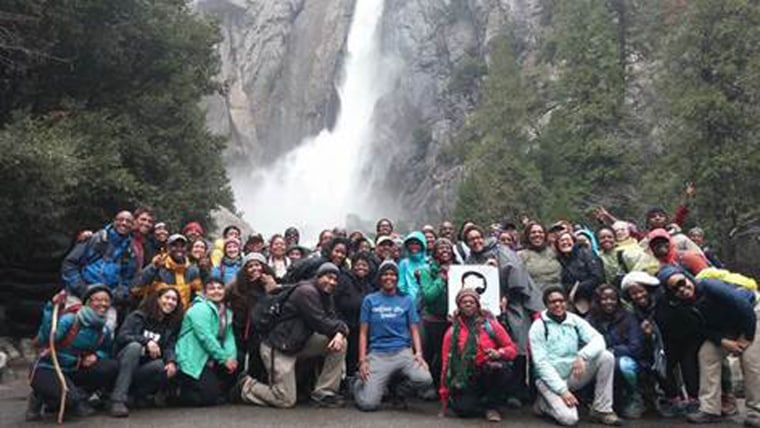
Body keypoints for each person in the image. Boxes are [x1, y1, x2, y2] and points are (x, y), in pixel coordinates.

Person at [235, 263, 349, 408]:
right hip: (278, 347)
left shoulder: (325, 294)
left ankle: (324, 393)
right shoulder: (306, 292)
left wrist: (340, 333)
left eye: (335, 279)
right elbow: (320, 322)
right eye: (329, 277)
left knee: (341, 343)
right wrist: (341, 329)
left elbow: (333, 319)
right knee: (285, 400)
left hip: (298, 342)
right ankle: (247, 386)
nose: (332, 282)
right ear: (318, 276)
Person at [657, 266, 759, 426]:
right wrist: (722, 341)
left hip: (752, 315)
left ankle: (756, 411)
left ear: (687, 278)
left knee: (750, 360)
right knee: (707, 354)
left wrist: (747, 338)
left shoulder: (709, 286)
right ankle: (710, 408)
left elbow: (743, 307)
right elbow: (700, 329)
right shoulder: (682, 306)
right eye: (675, 289)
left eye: (682, 283)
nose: (683, 289)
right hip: (725, 327)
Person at [464, 224, 543, 406]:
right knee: (490, 348)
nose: (475, 241)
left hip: (512, 305)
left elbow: (518, 276)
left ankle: (517, 391)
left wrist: (507, 295)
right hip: (486, 309)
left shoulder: (502, 251)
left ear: (483, 237)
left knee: (517, 345)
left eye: (477, 237)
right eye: (470, 240)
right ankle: (496, 391)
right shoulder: (471, 259)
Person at [529, 286, 622, 426]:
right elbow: (541, 364)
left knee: (606, 356)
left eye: (561, 301)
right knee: (569, 419)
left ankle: (601, 409)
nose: (558, 305)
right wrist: (562, 391)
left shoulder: (574, 320)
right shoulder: (539, 326)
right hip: (548, 380)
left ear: (566, 302)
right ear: (546, 305)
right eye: (553, 302)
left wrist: (582, 356)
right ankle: (543, 405)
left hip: (572, 374)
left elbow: (599, 339)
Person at [27, 285, 118, 421]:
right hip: (50, 367)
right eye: (98, 300)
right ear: (88, 302)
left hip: (75, 368)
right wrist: (51, 309)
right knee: (71, 400)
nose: (103, 304)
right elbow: (49, 337)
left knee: (111, 366)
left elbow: (106, 350)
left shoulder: (103, 330)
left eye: (106, 301)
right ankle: (40, 397)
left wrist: (97, 355)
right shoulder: (71, 319)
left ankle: (74, 397)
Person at [353, 260, 433, 411]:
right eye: (385, 274)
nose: (389, 278)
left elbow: (414, 329)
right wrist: (362, 360)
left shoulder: (407, 300)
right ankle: (357, 384)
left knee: (425, 379)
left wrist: (419, 354)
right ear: (379, 278)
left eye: (393, 274)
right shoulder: (370, 300)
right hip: (378, 353)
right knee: (368, 404)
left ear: (397, 278)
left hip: (402, 351)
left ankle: (399, 391)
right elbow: (363, 333)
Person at [439, 288, 517, 422]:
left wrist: (498, 353)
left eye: (472, 302)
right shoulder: (452, 333)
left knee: (499, 368)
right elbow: (446, 365)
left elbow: (512, 349)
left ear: (477, 305)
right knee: (463, 410)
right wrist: (444, 398)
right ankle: (481, 406)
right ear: (459, 306)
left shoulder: (490, 325)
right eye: (464, 302)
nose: (468, 304)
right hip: (466, 376)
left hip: (488, 371)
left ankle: (492, 406)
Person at [109, 287, 184, 417]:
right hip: (123, 363)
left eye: (174, 300)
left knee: (164, 367)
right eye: (167, 297)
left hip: (144, 368)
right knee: (135, 347)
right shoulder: (138, 315)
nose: (170, 302)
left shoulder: (170, 324)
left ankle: (137, 396)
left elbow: (169, 347)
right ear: (158, 299)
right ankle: (117, 400)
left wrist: (171, 361)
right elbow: (122, 336)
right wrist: (146, 341)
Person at [61, 210, 138, 328]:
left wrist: (116, 295)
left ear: (132, 226)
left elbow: (128, 279)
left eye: (128, 221)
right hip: (80, 291)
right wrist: (81, 288)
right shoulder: (95, 239)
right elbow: (70, 264)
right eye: (120, 219)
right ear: (114, 221)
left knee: (108, 327)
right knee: (69, 324)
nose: (124, 223)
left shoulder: (131, 251)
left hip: (107, 299)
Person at [174, 277, 237, 407]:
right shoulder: (200, 308)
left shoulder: (227, 311)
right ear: (205, 292)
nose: (216, 291)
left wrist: (231, 358)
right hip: (193, 358)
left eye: (220, 288)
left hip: (210, 357)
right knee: (208, 398)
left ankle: (214, 387)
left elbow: (229, 337)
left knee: (237, 360)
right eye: (212, 288)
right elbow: (205, 337)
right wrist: (224, 359)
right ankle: (176, 391)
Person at [587, 285, 645, 419]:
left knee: (623, 365)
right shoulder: (591, 319)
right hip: (599, 362)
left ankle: (634, 396)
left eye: (612, 298)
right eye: (604, 299)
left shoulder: (629, 318)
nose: (609, 302)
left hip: (625, 362)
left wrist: (612, 351)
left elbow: (635, 347)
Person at [227, 253, 279, 381]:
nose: (254, 268)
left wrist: (271, 287)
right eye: (250, 266)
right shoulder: (238, 285)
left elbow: (275, 302)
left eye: (257, 265)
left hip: (262, 329)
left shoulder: (270, 282)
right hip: (242, 328)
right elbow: (224, 296)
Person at [131, 234, 202, 311]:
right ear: (168, 248)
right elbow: (136, 289)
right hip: (158, 316)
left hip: (180, 317)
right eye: (174, 245)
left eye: (182, 246)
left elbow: (198, 293)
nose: (179, 249)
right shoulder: (158, 267)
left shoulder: (192, 270)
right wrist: (154, 267)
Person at [420, 238, 456, 389]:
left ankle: (444, 386)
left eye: (448, 247)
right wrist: (441, 278)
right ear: (434, 253)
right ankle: (427, 385)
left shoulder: (458, 270)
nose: (445, 250)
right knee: (430, 355)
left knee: (447, 356)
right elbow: (428, 296)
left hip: (451, 321)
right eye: (440, 248)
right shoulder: (426, 271)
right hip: (432, 320)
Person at [335, 252, 376, 377]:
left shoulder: (369, 287)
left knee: (356, 356)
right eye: (358, 265)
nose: (361, 267)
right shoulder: (344, 280)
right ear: (352, 266)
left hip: (360, 327)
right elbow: (334, 301)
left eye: (364, 265)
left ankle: (352, 380)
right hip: (343, 325)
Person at [554, 231, 605, 315]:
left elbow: (597, 276)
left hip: (594, 298)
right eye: (561, 241)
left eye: (567, 239)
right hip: (577, 303)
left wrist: (577, 289)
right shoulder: (561, 261)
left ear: (574, 241)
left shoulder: (586, 253)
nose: (565, 242)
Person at [518, 222, 562, 292]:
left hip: (558, 294)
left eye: (540, 232)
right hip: (535, 295)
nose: (537, 234)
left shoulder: (555, 251)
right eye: (533, 232)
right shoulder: (520, 255)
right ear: (527, 236)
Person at [398, 231, 431, 304]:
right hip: (408, 302)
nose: (414, 246)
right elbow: (401, 285)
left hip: (427, 303)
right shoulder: (404, 263)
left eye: (417, 244)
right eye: (411, 244)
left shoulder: (429, 262)